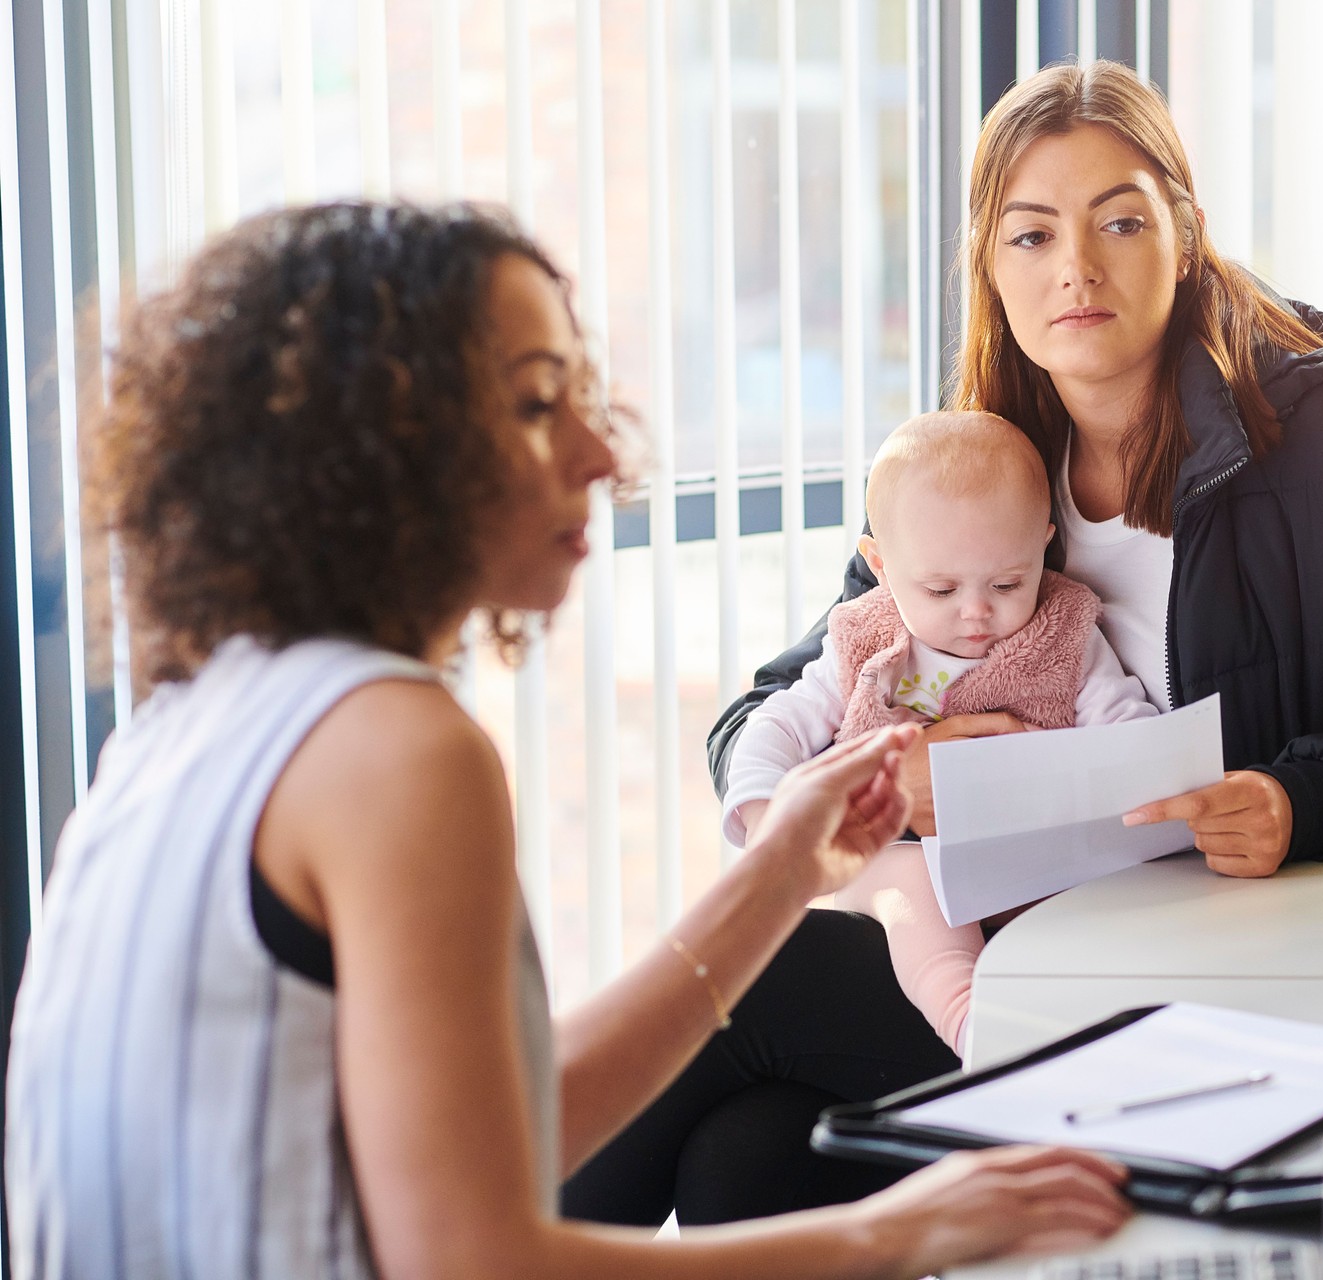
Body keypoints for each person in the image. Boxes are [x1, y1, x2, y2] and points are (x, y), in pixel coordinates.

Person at [3, 202, 1131, 1280]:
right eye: (539, 404)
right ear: (386, 451)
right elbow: (473, 1256)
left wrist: (789, 862)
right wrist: (890, 1233)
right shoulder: (395, 751)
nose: (602, 450)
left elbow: (499, 1125)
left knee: (757, 1149)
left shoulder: (193, 723)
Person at [568, 59, 1323, 1228]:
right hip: (1031, 958)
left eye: (1120, 219)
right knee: (750, 1160)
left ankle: (458, 1239)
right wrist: (888, 786)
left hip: (1234, 986)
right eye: (1030, 235)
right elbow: (780, 702)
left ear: (1187, 233)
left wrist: (1298, 796)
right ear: (989, 265)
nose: (1076, 267)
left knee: (767, 983)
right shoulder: (984, 467)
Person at [722, 410, 1157, 1052]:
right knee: (915, 891)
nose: (977, 612)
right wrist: (766, 818)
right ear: (880, 562)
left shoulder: (1066, 634)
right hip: (898, 861)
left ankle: (1065, 1023)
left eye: (1008, 582)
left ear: (1044, 542)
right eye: (941, 588)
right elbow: (774, 724)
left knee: (1085, 910)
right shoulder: (865, 639)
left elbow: (1127, 734)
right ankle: (971, 1024)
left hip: (1033, 864)